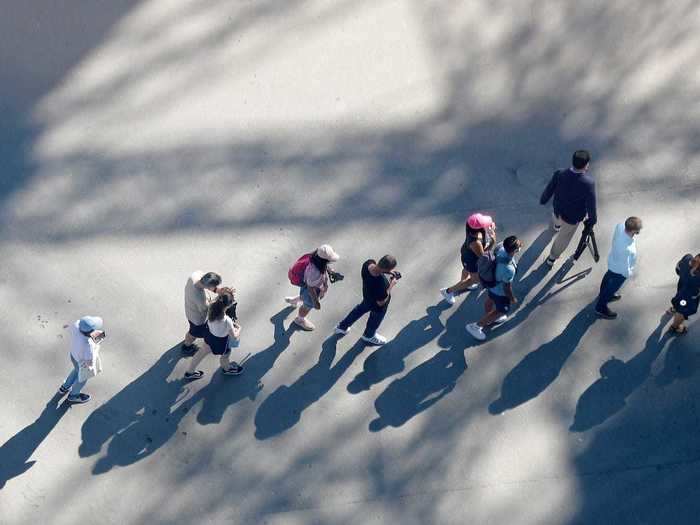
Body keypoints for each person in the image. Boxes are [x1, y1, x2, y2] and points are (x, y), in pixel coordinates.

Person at [540, 150, 597, 267]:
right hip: (573, 217)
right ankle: (552, 258)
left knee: (556, 219)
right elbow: (591, 204)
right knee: (563, 238)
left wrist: (544, 199)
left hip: (558, 209)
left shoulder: (559, 173)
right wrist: (592, 219)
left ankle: (556, 226)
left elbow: (550, 189)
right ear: (586, 165)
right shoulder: (588, 183)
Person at [334, 255, 400, 346]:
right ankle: (368, 336)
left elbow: (378, 269)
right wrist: (392, 284)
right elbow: (381, 302)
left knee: (358, 311)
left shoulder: (368, 264)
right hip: (377, 307)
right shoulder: (381, 284)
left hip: (367, 297)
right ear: (385, 269)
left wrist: (387, 271)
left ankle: (341, 327)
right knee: (374, 321)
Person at [466, 236, 523, 341]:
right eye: (519, 246)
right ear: (514, 251)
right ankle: (476, 326)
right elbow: (507, 287)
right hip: (500, 292)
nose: (520, 247)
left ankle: (490, 317)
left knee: (490, 299)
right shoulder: (509, 269)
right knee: (502, 310)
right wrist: (511, 298)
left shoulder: (500, 249)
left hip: (490, 285)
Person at [184, 291, 243, 380]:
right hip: (221, 342)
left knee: (200, 353)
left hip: (209, 336)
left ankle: (190, 372)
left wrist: (226, 294)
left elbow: (216, 300)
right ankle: (227, 369)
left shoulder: (211, 308)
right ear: (228, 306)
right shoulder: (227, 321)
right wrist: (239, 328)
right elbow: (234, 336)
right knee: (225, 355)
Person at [440, 213, 496, 305]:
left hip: (467, 255)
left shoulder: (471, 229)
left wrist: (490, 227)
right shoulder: (475, 243)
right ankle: (447, 291)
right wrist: (492, 242)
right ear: (477, 229)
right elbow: (483, 257)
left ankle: (465, 282)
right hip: (471, 260)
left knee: (466, 270)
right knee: (476, 279)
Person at [284, 244, 340, 331]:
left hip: (304, 281)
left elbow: (322, 266)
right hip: (311, 287)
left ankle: (293, 300)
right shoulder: (314, 272)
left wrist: (330, 271)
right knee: (307, 304)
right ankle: (299, 319)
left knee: (305, 294)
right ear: (324, 261)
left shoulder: (314, 257)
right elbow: (310, 288)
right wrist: (315, 302)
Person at [595, 217, 642, 319]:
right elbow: (625, 266)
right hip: (620, 270)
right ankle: (600, 307)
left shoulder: (620, 227)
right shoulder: (627, 249)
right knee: (612, 287)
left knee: (608, 277)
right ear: (633, 231)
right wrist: (628, 274)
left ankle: (602, 294)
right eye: (638, 231)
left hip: (613, 261)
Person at [58, 316, 106, 404]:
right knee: (82, 379)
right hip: (82, 362)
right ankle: (73, 395)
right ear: (91, 333)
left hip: (73, 356)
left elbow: (68, 326)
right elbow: (89, 363)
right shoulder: (88, 346)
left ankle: (65, 387)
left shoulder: (76, 325)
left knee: (76, 370)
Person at [182, 271, 223, 354]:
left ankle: (188, 339)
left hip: (189, 309)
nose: (215, 288)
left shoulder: (195, 275)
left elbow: (207, 284)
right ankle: (187, 346)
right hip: (197, 320)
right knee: (193, 334)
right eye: (214, 287)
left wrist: (217, 290)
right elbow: (207, 309)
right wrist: (220, 298)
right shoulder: (200, 298)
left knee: (192, 331)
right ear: (208, 286)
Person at [667, 253, 700, 335]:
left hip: (681, 288)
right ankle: (675, 327)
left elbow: (677, 269)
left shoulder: (687, 258)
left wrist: (684, 276)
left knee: (678, 299)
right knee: (682, 311)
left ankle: (674, 308)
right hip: (689, 298)